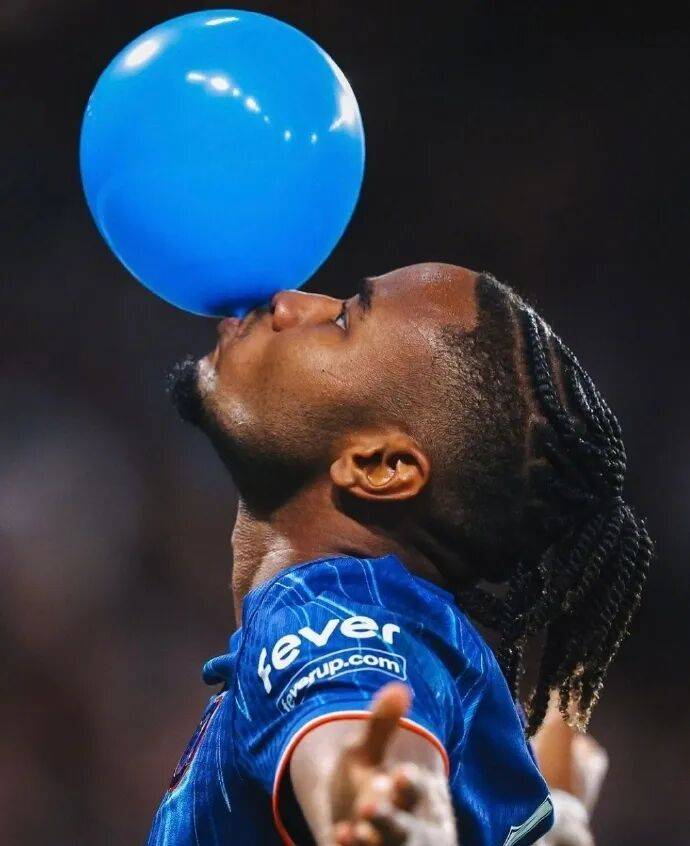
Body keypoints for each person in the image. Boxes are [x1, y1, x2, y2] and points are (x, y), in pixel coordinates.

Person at [149, 263, 652, 846]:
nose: (287, 302)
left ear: (379, 466)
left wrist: (387, 803)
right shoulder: (419, 636)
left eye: (343, 320)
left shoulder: (323, 613)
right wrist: (560, 815)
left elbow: (367, 742)